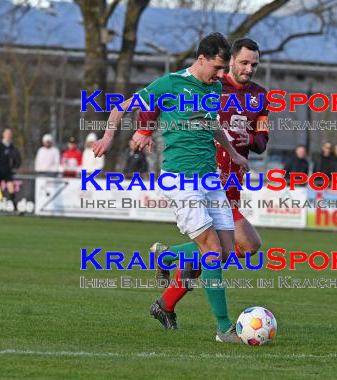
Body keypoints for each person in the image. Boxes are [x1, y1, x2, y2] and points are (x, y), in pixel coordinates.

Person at [92, 32, 249, 343]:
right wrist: (108, 137)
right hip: (181, 179)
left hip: (210, 178)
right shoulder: (170, 83)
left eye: (224, 69)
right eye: (217, 68)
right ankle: (224, 328)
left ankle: (166, 257)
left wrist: (232, 153)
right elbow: (120, 107)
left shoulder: (214, 86)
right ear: (201, 59)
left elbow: (210, 123)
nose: (221, 75)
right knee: (213, 251)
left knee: (230, 250)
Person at [139, 37, 269, 325]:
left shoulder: (260, 96)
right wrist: (145, 131)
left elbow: (263, 137)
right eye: (244, 62)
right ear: (230, 60)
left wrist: (251, 139)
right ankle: (220, 324)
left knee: (211, 258)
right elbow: (154, 101)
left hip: (231, 185)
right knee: (245, 245)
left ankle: (165, 298)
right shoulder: (211, 85)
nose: (249, 69)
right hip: (205, 177)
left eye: (254, 64)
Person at [0, 127, 22, 214]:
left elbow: (16, 158)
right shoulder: (0, 146)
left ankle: (15, 209)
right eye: (7, 133)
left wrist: (16, 165)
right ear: (3, 134)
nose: (8, 135)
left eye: (10, 133)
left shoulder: (12, 147)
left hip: (7, 172)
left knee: (11, 189)